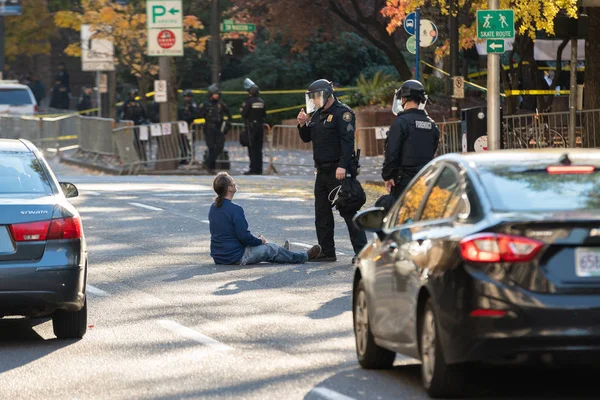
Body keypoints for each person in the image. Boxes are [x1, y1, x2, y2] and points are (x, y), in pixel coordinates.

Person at [297, 79, 367, 263]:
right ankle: (327, 251)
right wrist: (303, 124)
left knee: (348, 211)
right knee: (322, 213)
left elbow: (348, 141)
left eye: (316, 96)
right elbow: (306, 138)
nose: (314, 100)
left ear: (326, 95)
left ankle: (362, 252)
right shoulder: (318, 115)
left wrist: (343, 166)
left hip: (338, 170)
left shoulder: (343, 113)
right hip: (321, 172)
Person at [209, 172, 322, 265]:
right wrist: (260, 241)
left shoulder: (213, 207)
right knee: (270, 248)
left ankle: (283, 252)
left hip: (219, 256)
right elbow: (243, 237)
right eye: (233, 182)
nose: (235, 183)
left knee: (268, 248)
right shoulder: (235, 209)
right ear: (230, 188)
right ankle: (304, 256)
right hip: (235, 256)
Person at [382, 80, 440, 200]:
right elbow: (433, 149)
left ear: (403, 99)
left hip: (404, 181)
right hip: (425, 179)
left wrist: (388, 175)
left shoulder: (401, 122)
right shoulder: (432, 124)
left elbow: (392, 152)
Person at [198, 84, 231, 174]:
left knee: (220, 146)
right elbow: (199, 115)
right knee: (211, 147)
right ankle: (211, 168)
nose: (216, 95)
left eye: (217, 94)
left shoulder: (221, 104)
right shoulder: (205, 104)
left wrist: (227, 123)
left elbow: (228, 113)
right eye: (214, 94)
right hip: (209, 127)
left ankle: (207, 163)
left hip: (218, 128)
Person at [241, 79, 266, 175]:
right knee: (258, 149)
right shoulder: (261, 101)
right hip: (260, 127)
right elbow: (264, 114)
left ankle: (253, 169)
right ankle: (259, 169)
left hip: (251, 128)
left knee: (252, 149)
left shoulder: (248, 102)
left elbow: (244, 114)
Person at [121, 89, 148, 161]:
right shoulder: (126, 104)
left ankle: (140, 158)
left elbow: (144, 114)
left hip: (137, 125)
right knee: (128, 142)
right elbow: (122, 112)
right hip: (128, 125)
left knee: (139, 143)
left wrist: (143, 120)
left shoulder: (139, 104)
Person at [177, 90, 197, 164]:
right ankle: (183, 157)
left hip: (189, 126)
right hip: (182, 126)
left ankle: (192, 158)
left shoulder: (193, 105)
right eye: (185, 97)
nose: (186, 98)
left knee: (190, 144)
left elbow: (195, 114)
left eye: (188, 97)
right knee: (182, 143)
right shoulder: (181, 105)